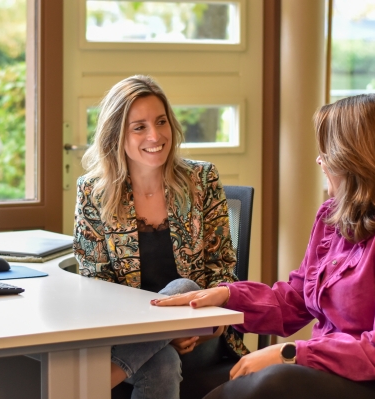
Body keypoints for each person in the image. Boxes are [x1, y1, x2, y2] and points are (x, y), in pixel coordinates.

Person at [153, 92, 375, 399]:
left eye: (327, 150)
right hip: (345, 378)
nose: (319, 160)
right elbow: (295, 301)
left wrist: (288, 353)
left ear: (356, 158)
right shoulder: (332, 216)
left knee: (275, 381)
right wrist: (227, 297)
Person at [73, 75, 248, 399]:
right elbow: (95, 285)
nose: (155, 135)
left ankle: (97, 382)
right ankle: (140, 351)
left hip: (199, 332)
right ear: (117, 134)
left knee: (185, 288)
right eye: (139, 127)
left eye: (161, 121)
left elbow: (223, 275)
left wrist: (188, 326)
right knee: (162, 359)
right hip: (126, 334)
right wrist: (163, 333)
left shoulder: (202, 180)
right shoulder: (93, 192)